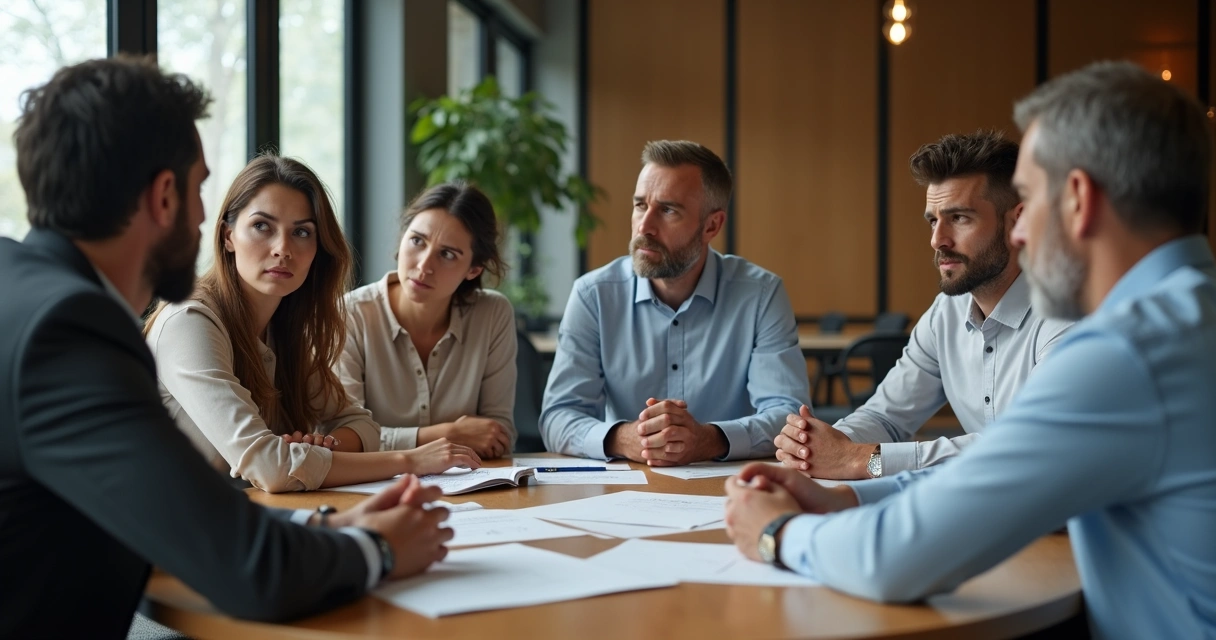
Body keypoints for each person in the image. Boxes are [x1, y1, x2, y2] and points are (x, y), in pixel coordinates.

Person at [724, 61, 1216, 639]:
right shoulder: (1185, 319)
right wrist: (849, 497)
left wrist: (777, 533)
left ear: (1078, 199)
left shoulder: (1124, 355)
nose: (1022, 234)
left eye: (1028, 202)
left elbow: (901, 560)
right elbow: (1002, 473)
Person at [0, 56, 453, 638]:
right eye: (200, 191)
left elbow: (178, 522)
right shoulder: (70, 332)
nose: (199, 220)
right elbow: (254, 573)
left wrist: (326, 533)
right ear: (165, 197)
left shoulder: (24, 293)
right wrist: (379, 549)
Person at [144, 154, 480, 493]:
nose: (282, 248)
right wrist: (411, 460)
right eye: (262, 226)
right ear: (228, 235)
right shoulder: (188, 321)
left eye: (302, 232)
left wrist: (319, 448)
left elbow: (362, 426)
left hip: (242, 522)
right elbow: (270, 467)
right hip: (163, 534)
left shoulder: (285, 329)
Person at [776, 131, 1071, 479]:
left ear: (1017, 222)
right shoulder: (946, 313)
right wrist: (820, 445)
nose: (937, 240)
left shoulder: (1068, 315)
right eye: (933, 220)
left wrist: (862, 459)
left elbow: (1029, 448)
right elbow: (885, 417)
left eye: (960, 218)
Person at [540, 140, 810, 465]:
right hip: (624, 491)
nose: (644, 227)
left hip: (730, 492)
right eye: (640, 205)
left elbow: (789, 417)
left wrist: (709, 439)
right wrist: (625, 438)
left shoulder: (761, 294)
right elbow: (557, 416)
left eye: (668, 210)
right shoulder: (594, 295)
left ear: (712, 225)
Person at [338, 182, 517, 458]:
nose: (423, 266)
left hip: (469, 485)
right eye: (417, 241)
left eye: (447, 254)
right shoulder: (351, 314)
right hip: (372, 488)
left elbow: (498, 434)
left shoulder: (492, 314)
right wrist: (447, 436)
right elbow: (342, 437)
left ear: (473, 269)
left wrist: (386, 440)